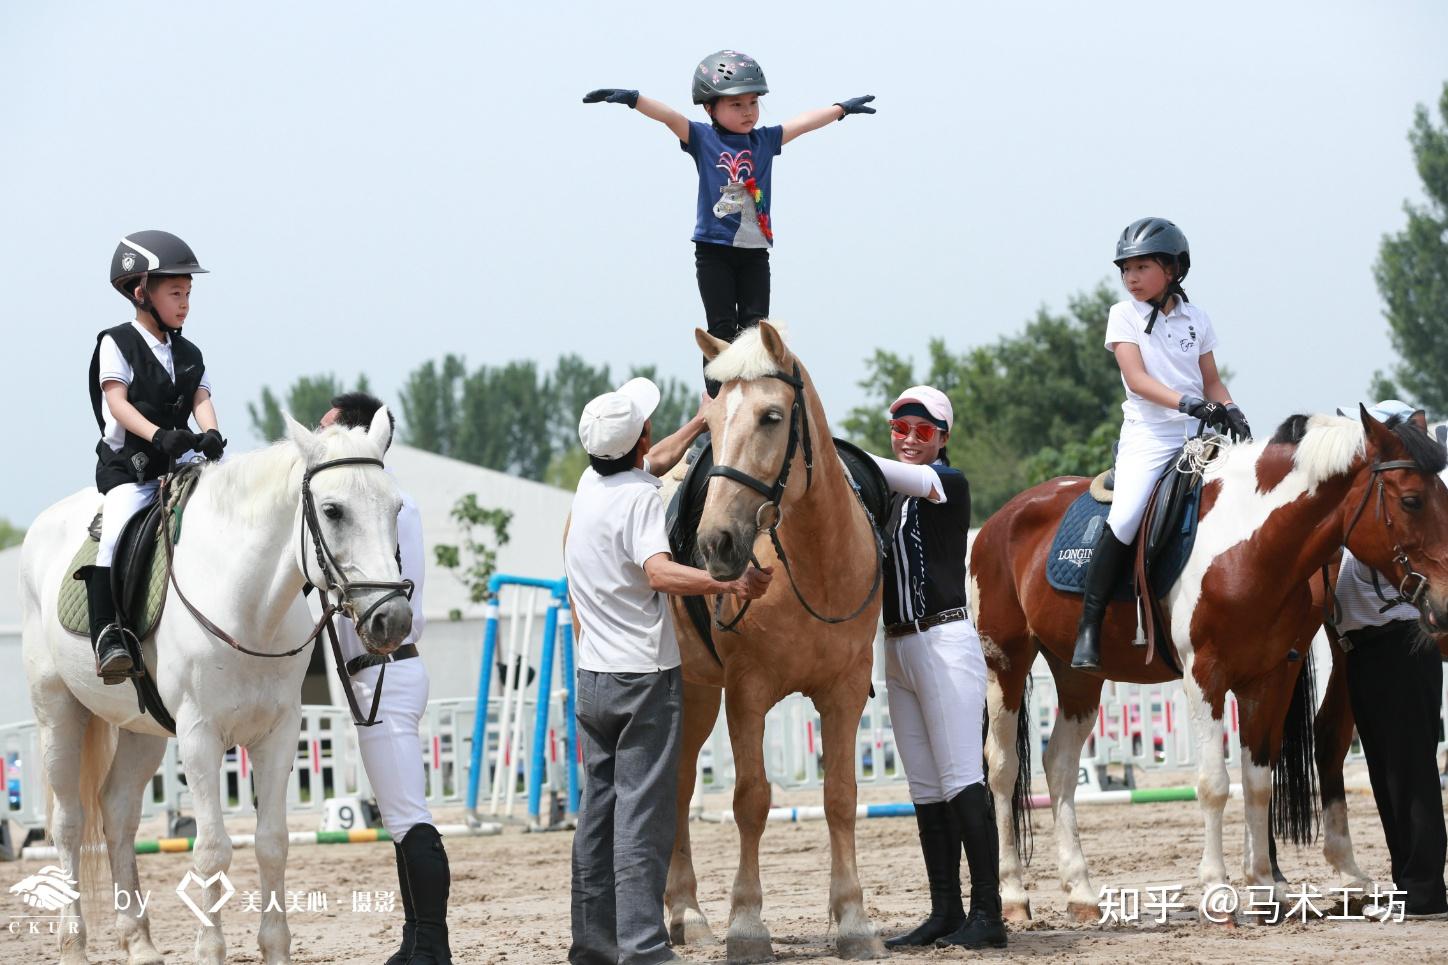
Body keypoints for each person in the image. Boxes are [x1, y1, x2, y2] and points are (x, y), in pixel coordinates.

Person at [564, 377, 772, 965]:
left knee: (598, 817)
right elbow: (658, 572)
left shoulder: (590, 485)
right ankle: (644, 947)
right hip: (643, 679)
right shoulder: (639, 501)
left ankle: (594, 944)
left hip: (595, 679)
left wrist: (700, 422)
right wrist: (725, 580)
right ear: (640, 438)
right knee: (643, 819)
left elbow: (650, 460)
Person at [583, 50, 875, 390]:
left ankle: (758, 394)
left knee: (756, 330)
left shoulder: (764, 141)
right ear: (711, 108)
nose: (748, 111)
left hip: (754, 253)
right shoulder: (703, 138)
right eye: (737, 105)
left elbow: (805, 122)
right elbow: (669, 117)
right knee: (721, 328)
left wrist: (840, 109)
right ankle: (717, 400)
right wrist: (634, 99)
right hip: (713, 253)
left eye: (753, 103)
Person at [1070, 217, 1250, 670]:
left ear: (1172, 269)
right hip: (1149, 437)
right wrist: (1189, 403)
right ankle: (1089, 624)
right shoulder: (1123, 315)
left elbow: (1211, 380)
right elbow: (1137, 379)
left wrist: (1231, 409)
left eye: (1141, 267)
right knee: (1127, 515)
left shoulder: (1198, 318)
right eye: (1125, 269)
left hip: (1196, 437)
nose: (1130, 277)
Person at [863, 385, 1005, 950]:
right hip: (896, 647)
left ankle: (988, 913)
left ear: (943, 437)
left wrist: (823, 443)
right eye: (900, 429)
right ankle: (945, 908)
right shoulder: (887, 496)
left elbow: (898, 475)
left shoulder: (948, 481)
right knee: (925, 785)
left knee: (960, 778)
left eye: (923, 431)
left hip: (943, 638)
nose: (910, 440)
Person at [320, 392, 452, 964]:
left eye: (330, 432)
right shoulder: (388, 502)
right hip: (384, 670)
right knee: (402, 823)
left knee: (410, 818)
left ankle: (433, 946)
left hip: (386, 669)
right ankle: (414, 939)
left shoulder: (390, 507)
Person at [83, 230, 225, 682]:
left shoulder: (188, 351)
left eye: (188, 294)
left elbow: (200, 395)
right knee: (118, 525)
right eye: (175, 293)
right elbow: (117, 404)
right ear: (142, 292)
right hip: (131, 468)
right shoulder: (117, 342)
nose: (184, 303)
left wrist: (212, 433)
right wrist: (158, 434)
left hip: (176, 463)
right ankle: (108, 632)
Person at [1334, 399, 1447, 920]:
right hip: (1367, 649)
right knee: (1388, 772)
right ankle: (1411, 881)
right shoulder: (1372, 500)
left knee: (1412, 770)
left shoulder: (1403, 507)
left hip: (1399, 644)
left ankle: (1424, 889)